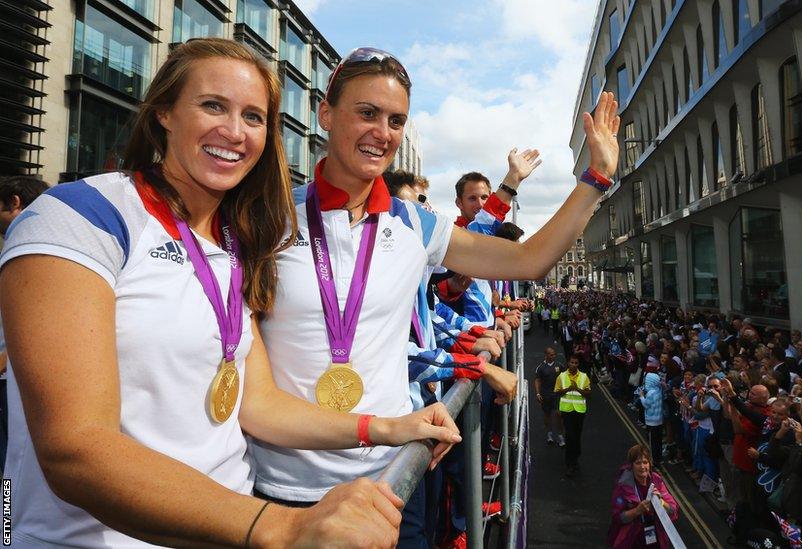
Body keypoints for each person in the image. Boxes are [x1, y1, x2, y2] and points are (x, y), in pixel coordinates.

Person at [0, 39, 462, 547]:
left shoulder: (231, 244)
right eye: (213, 105)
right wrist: (285, 525)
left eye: (254, 116)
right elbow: (76, 450)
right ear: (164, 114)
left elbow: (257, 403)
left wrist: (387, 427)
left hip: (230, 523)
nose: (234, 131)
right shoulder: (81, 216)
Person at [251, 45, 621, 507]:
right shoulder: (267, 217)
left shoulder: (415, 223)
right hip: (286, 488)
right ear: (326, 114)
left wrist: (596, 178)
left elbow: (528, 260)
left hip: (394, 479)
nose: (381, 133)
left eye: (395, 121)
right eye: (367, 112)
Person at [0, 175, 49, 472]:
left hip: (10, 383)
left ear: (14, 202)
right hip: (12, 379)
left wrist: (5, 360)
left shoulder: (31, 243)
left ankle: (5, 519)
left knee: (8, 465)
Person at [608, 444, 679, 548]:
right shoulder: (623, 486)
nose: (642, 467)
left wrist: (661, 502)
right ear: (631, 465)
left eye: (645, 462)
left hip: (657, 538)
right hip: (633, 540)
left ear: (649, 464)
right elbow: (618, 517)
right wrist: (637, 511)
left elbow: (673, 509)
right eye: (638, 463)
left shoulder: (657, 480)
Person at [554, 354, 591, 476]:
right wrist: (568, 389)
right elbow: (557, 391)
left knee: (577, 437)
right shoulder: (562, 376)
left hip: (579, 411)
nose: (573, 365)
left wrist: (577, 389)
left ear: (578, 364)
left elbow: (588, 393)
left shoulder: (584, 377)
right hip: (567, 410)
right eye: (571, 362)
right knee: (570, 437)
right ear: (568, 363)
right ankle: (570, 464)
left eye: (576, 363)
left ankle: (575, 458)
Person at [535, 346, 564, 446]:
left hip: (557, 394)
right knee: (547, 415)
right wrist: (538, 393)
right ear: (546, 355)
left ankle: (560, 436)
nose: (553, 356)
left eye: (554, 354)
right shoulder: (541, 367)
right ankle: (550, 434)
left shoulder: (559, 365)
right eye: (551, 355)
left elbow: (565, 377)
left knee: (559, 415)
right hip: (546, 395)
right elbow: (537, 380)